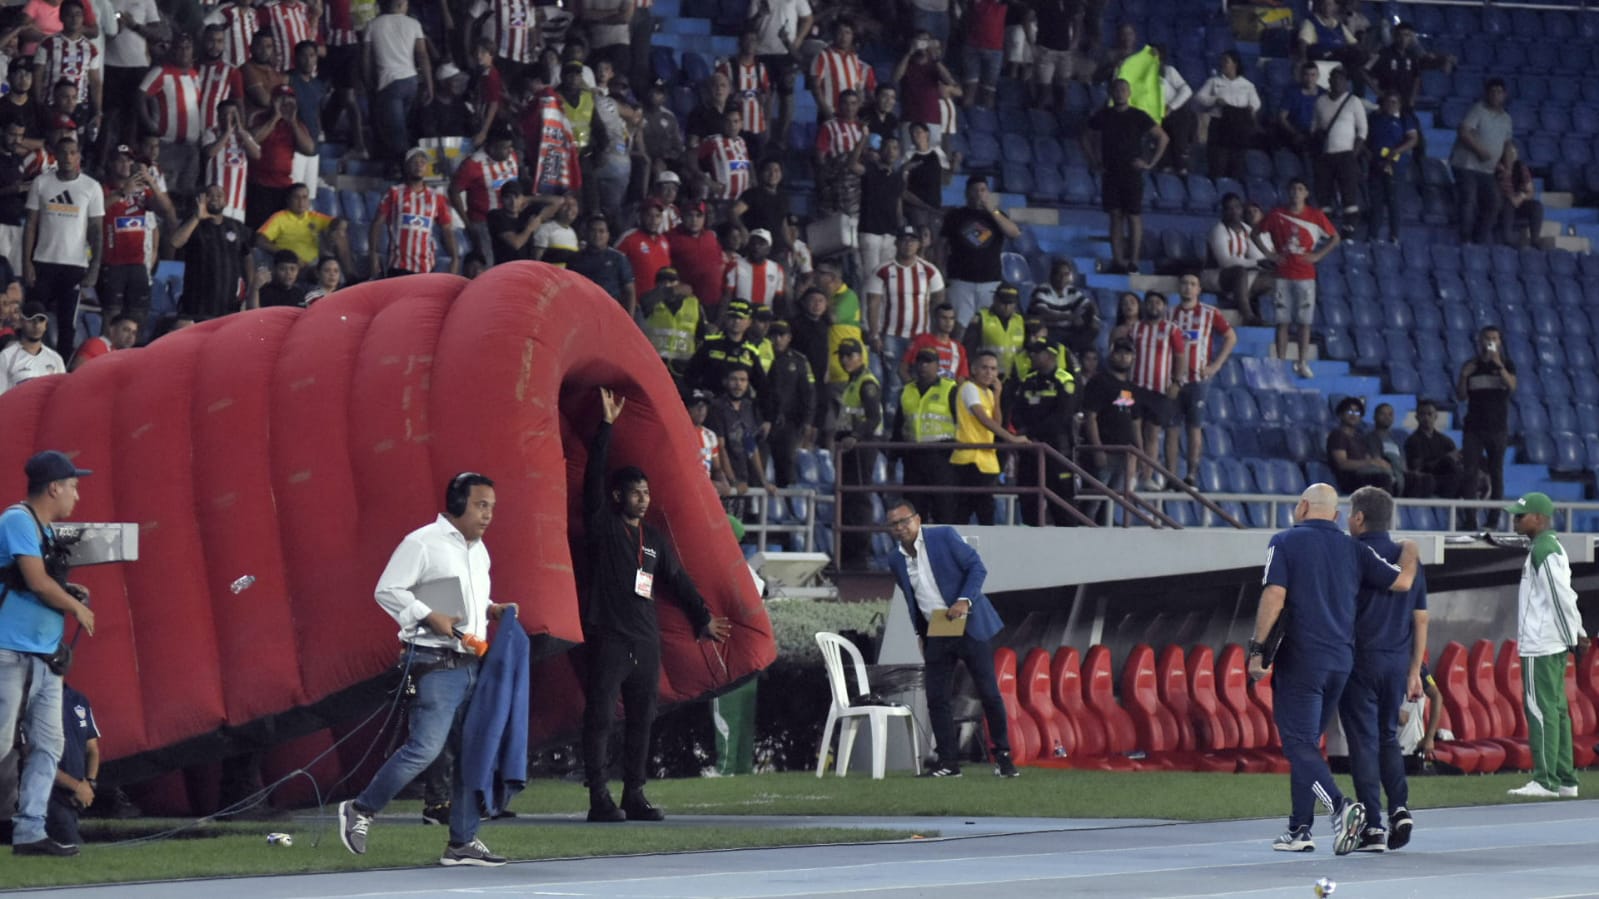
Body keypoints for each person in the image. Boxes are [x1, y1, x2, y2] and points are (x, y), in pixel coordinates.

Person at [337, 472, 516, 866]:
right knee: (425, 748)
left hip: (471, 664)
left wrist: (491, 610)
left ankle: (462, 842)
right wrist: (427, 614)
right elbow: (387, 589)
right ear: (457, 505)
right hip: (433, 664)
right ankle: (361, 809)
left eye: (491, 507)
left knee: (473, 753)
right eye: (480, 505)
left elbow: (467, 598)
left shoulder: (479, 550)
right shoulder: (422, 542)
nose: (487, 515)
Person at [581, 388, 730, 819]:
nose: (642, 498)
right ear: (617, 497)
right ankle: (598, 798)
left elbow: (678, 580)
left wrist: (702, 618)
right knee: (601, 719)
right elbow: (592, 478)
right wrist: (606, 426)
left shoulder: (654, 539)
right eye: (634, 493)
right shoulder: (604, 528)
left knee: (642, 721)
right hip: (610, 636)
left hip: (646, 642)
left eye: (645, 492)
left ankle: (634, 793)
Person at [1248, 482, 1419, 856]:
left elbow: (1274, 594)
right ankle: (1299, 829)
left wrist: (1258, 650)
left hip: (1302, 659)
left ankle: (1341, 809)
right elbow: (1403, 581)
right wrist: (1411, 549)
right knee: (1308, 744)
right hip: (1341, 662)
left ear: (1303, 506)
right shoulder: (1354, 549)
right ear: (1338, 516)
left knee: (1297, 743)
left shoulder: (1284, 542)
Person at [1, 450, 97, 857]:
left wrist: (71, 593)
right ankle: (28, 830)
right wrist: (76, 607)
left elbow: (40, 583)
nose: (76, 495)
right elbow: (37, 582)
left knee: (48, 745)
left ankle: (30, 833)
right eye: (73, 487)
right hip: (9, 652)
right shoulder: (17, 521)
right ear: (53, 487)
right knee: (1, 742)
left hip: (44, 658)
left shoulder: (48, 532)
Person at [884, 498, 1017, 778]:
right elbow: (914, 600)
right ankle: (948, 762)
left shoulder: (942, 536)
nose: (900, 527)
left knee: (988, 692)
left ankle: (1004, 757)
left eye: (904, 520)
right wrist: (920, 634)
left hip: (968, 623)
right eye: (894, 524)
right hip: (937, 630)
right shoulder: (895, 559)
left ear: (918, 519)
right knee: (936, 697)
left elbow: (977, 568)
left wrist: (964, 600)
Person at [1337, 486, 1427, 853]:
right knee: (1388, 737)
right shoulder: (1407, 557)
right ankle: (1400, 808)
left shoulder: (1349, 554)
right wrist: (1415, 671)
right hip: (1396, 661)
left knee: (1362, 742)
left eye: (1349, 513)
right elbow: (1421, 618)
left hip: (1359, 659)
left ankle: (1372, 827)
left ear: (1359, 517)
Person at [1502, 491, 1584, 798]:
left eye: (1520, 516)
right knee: (1557, 711)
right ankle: (1565, 778)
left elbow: (1558, 596)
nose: (1515, 520)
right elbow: (1568, 595)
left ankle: (1546, 780)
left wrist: (1572, 636)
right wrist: (1576, 631)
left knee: (1540, 710)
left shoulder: (1544, 550)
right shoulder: (1549, 547)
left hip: (1541, 644)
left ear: (1539, 518)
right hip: (1552, 641)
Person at [1252, 178, 1338, 379]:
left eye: (1300, 189)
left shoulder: (1315, 216)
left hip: (1306, 275)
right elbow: (1255, 234)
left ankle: (1302, 361)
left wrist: (1318, 255)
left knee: (1304, 322)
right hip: (1283, 274)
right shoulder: (1276, 214)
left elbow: (1335, 237)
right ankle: (1279, 364)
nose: (1296, 193)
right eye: (1293, 189)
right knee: (1282, 321)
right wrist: (1270, 254)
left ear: (1306, 193)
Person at [23, 134, 100, 358]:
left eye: (72, 152)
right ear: (55, 156)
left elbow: (96, 230)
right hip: (43, 262)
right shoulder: (41, 182)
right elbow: (31, 226)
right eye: (63, 152)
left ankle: (61, 370)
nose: (68, 157)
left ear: (79, 157)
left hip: (74, 265)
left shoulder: (91, 187)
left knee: (68, 325)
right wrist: (27, 262)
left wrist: (94, 267)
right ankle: (29, 362)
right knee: (34, 318)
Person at [1084, 79, 1167, 275]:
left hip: (1132, 172)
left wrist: (1149, 163)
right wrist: (1093, 160)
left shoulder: (1139, 116)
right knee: (1115, 216)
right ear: (1111, 93)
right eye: (1116, 89)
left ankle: (1134, 262)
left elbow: (1163, 137)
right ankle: (1118, 261)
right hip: (1111, 171)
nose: (1120, 93)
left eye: (1123, 89)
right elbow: (1085, 136)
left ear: (1129, 93)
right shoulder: (1104, 115)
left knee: (1133, 215)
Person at [1168, 273, 1235, 488]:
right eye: (1184, 283)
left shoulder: (1209, 313)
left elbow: (1231, 337)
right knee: (1171, 428)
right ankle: (1170, 476)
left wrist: (1215, 366)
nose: (1188, 287)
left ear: (1199, 290)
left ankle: (1191, 475)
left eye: (1192, 284)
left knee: (1194, 427)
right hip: (1174, 380)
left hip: (1198, 380)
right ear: (1179, 288)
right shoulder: (1171, 314)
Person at [1004, 338, 1078, 526]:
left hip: (1057, 449)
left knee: (1062, 504)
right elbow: (1016, 411)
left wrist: (1031, 431)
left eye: (1037, 352)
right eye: (1031, 352)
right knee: (1028, 500)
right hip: (1029, 449)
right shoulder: (1028, 380)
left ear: (1051, 355)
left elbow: (1062, 416)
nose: (1032, 356)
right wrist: (1025, 432)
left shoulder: (1064, 379)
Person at [868, 225, 944, 403]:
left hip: (920, 337)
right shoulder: (883, 270)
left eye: (912, 240)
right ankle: (891, 426)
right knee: (894, 382)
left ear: (919, 244)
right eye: (904, 240)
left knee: (921, 379)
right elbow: (873, 302)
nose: (908, 244)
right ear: (896, 243)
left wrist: (933, 332)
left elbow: (939, 299)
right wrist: (874, 333)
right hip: (892, 335)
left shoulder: (929, 270)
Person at [950, 349, 1027, 525]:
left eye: (993, 369)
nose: (989, 373)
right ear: (974, 369)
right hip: (969, 459)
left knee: (971, 509)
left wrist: (997, 395)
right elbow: (983, 419)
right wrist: (1011, 439)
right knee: (981, 509)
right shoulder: (969, 388)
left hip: (985, 460)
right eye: (984, 368)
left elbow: (996, 422)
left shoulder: (989, 393)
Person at [937, 177, 1018, 332]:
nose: (979, 194)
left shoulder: (997, 215)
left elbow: (1014, 232)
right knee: (958, 327)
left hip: (990, 281)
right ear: (967, 193)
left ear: (988, 193)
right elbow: (941, 245)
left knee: (987, 328)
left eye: (983, 190)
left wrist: (992, 210)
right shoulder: (956, 215)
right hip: (960, 280)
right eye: (975, 190)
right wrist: (941, 270)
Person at [1456, 326, 1516, 530]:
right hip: (1473, 427)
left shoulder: (1507, 364)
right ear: (1480, 341)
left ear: (1500, 342)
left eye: (1494, 338)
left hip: (1497, 428)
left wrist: (1499, 365)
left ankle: (1493, 520)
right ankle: (1470, 520)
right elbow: (1461, 395)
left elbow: (1512, 386)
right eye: (1487, 338)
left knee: (1496, 473)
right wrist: (1464, 376)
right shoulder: (1470, 366)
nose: (1490, 341)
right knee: (1470, 472)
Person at [370, 147, 459, 278]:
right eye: (414, 162)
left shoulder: (437, 197)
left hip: (425, 268)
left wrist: (455, 258)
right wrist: (373, 255)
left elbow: (447, 230)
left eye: (422, 162)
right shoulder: (394, 193)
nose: (419, 165)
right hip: (398, 266)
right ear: (406, 166)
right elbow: (377, 224)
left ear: (426, 167)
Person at [1128, 291, 1186, 489]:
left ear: (1164, 307)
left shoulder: (1172, 330)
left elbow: (1180, 357)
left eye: (1158, 302)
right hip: (1134, 387)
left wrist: (1177, 383)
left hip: (1160, 390)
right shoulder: (1134, 329)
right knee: (1132, 432)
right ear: (1145, 306)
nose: (1154, 305)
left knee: (1152, 434)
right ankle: (1131, 475)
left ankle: (1147, 475)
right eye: (1150, 302)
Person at [172, 183, 254, 319]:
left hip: (229, 303)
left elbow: (247, 256)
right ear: (202, 199)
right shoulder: (193, 223)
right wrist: (197, 217)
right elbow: (175, 242)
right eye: (210, 195)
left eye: (219, 195)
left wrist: (250, 287)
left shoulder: (237, 226)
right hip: (197, 304)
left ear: (226, 201)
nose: (215, 198)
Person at [1081, 338, 1144, 513]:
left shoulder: (1131, 388)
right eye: (1119, 353)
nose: (1123, 357)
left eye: (1127, 353)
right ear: (1112, 355)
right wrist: (1097, 449)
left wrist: (1139, 452)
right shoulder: (1099, 382)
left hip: (1124, 453)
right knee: (1092, 503)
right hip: (1105, 452)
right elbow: (1090, 417)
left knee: (1111, 505)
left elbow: (1135, 422)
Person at [1448, 78, 1512, 246]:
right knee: (1469, 199)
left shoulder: (1506, 118)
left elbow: (1507, 144)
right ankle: (1466, 240)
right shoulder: (1478, 109)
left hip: (1487, 170)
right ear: (1487, 94)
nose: (1496, 95)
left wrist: (1508, 167)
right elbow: (1463, 131)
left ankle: (1480, 240)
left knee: (1495, 202)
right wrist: (1479, 150)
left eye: (1499, 91)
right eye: (1493, 91)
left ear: (1504, 95)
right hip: (1466, 165)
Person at [1311, 67, 1366, 233]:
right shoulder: (1320, 101)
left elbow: (1362, 131)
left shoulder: (1354, 101)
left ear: (1346, 82)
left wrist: (1352, 155)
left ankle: (1349, 229)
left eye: (1341, 79)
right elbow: (1314, 127)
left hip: (1346, 154)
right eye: (1334, 79)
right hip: (1326, 155)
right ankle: (1325, 229)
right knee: (1324, 193)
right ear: (1328, 81)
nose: (1337, 82)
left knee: (1348, 192)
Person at [1194, 50, 1260, 183]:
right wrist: (1215, 100)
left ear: (1235, 64)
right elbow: (1199, 97)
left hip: (1239, 127)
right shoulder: (1214, 81)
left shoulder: (1247, 85)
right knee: (1218, 163)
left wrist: (1251, 108)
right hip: (1219, 125)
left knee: (1237, 164)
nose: (1222, 64)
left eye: (1226, 61)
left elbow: (1256, 103)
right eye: (1222, 60)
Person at [45, 682, 97, 848]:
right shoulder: (34, 699)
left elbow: (92, 749)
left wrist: (89, 783)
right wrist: (77, 787)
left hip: (74, 799)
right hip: (48, 796)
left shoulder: (78, 699)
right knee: (74, 849)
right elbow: (35, 759)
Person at [1208, 193, 1272, 325]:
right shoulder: (1218, 231)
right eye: (1229, 208)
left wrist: (1268, 263)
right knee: (1240, 271)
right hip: (1215, 275)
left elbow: (1256, 255)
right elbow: (1225, 262)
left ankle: (1263, 312)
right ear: (1223, 211)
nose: (1234, 211)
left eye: (1237, 207)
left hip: (1240, 276)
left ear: (1241, 209)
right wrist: (1256, 263)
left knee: (1275, 277)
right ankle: (1248, 316)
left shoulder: (1246, 229)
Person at [1365, 92, 1418, 245]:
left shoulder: (1404, 119)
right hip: (1376, 164)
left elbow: (1413, 139)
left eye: (1395, 102)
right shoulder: (1374, 118)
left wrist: (1396, 151)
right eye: (1388, 102)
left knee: (1393, 201)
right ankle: (1372, 236)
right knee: (1375, 202)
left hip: (1396, 165)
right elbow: (1365, 137)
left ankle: (1394, 236)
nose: (1391, 105)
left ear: (1400, 105)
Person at [1028, 259, 1098, 361]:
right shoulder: (1042, 290)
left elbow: (1089, 305)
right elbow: (1044, 314)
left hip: (1067, 331)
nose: (1062, 278)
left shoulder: (1071, 291)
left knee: (1093, 328)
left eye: (1066, 274)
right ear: (1051, 275)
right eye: (1059, 274)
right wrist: (1070, 317)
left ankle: (1074, 359)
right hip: (1048, 331)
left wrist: (1093, 318)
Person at [1326, 396, 1395, 494]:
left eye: (1357, 412)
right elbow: (1342, 464)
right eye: (1349, 412)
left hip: (1364, 475)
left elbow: (1367, 457)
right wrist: (1371, 462)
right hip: (1349, 479)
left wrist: (1379, 463)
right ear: (1341, 414)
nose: (1353, 415)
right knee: (1382, 478)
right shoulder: (1337, 435)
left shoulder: (1359, 437)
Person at [568, 214, 635, 314]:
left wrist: (630, 319)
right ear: (586, 233)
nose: (597, 235)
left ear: (608, 234)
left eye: (601, 231)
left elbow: (630, 291)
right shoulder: (575, 259)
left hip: (610, 313)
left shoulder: (618, 258)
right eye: (593, 230)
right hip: (583, 312)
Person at [1404, 399, 1462, 503]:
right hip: (1427, 479)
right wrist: (1445, 459)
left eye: (1429, 414)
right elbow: (1419, 468)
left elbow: (1456, 460)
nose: (1426, 417)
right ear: (1416, 417)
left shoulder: (1446, 440)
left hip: (1447, 479)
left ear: (1436, 416)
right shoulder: (1412, 441)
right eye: (1422, 414)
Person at [0, 302, 65, 392]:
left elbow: (61, 395)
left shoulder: (56, 359)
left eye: (41, 320)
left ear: (46, 325)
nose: (36, 325)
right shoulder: (6, 357)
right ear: (21, 321)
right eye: (31, 320)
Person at [1496, 143, 1542, 249]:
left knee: (1537, 206)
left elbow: (1530, 191)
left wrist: (1521, 196)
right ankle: (1510, 239)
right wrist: (1512, 199)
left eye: (1514, 153)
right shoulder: (1497, 168)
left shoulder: (1520, 167)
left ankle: (1535, 240)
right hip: (1504, 203)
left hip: (1519, 201)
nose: (1512, 156)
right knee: (1508, 204)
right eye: (1509, 153)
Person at [67, 312, 136, 370]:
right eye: (126, 330)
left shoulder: (115, 352)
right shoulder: (96, 344)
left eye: (134, 333)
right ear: (112, 329)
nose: (130, 336)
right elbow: (77, 372)